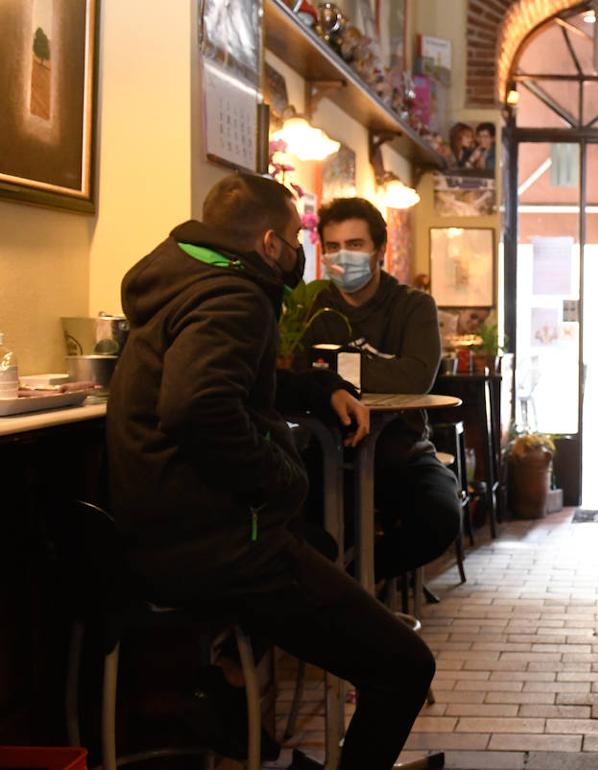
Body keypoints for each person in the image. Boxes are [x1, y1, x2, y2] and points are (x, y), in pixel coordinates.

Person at [106, 174, 436, 770]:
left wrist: (316, 388)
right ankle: (226, 699)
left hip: (160, 537)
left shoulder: (184, 281)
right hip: (217, 547)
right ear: (268, 244)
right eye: (297, 238)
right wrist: (282, 482)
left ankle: (229, 697)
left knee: (322, 543)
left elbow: (228, 383)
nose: (305, 252)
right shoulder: (235, 296)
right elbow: (198, 406)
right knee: (406, 666)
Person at [301, 197, 462, 579]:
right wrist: (372, 372)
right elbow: (297, 373)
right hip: (326, 451)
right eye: (334, 246)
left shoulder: (412, 306)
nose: (344, 256)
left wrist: (332, 375)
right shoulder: (311, 307)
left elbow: (415, 379)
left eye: (355, 245)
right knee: (293, 520)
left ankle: (359, 583)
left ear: (379, 249)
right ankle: (334, 593)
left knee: (440, 517)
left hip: (401, 450)